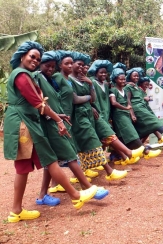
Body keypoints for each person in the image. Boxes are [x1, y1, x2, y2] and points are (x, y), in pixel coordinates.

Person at [4, 42, 98, 222]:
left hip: (24, 121)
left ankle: (16, 211)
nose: (35, 60)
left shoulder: (26, 75)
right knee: (49, 159)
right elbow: (38, 103)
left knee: (24, 168)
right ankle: (76, 196)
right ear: (23, 56)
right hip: (24, 124)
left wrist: (56, 115)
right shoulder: (22, 76)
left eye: (38, 58)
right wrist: (58, 119)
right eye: (32, 56)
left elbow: (38, 104)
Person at [34, 51, 109, 204]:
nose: (50, 68)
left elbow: (56, 99)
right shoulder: (41, 78)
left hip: (60, 119)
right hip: (52, 121)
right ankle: (87, 188)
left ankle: (42, 196)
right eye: (47, 65)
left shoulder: (50, 79)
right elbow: (41, 102)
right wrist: (56, 117)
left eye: (52, 66)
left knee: (52, 160)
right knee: (69, 155)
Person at [69, 52, 143, 174]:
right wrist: (89, 101)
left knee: (101, 137)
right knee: (90, 141)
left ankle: (123, 157)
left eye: (84, 65)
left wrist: (90, 86)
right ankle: (115, 163)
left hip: (94, 113)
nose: (82, 68)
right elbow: (77, 99)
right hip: (82, 115)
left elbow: (92, 97)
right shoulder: (68, 80)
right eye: (79, 64)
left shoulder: (86, 81)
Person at [109, 68, 161, 160]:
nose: (123, 81)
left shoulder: (124, 90)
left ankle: (121, 156)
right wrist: (126, 108)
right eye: (120, 79)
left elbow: (128, 100)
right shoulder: (113, 90)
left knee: (123, 137)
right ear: (115, 80)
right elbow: (113, 103)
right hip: (119, 116)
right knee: (131, 134)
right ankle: (145, 152)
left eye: (124, 79)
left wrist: (130, 112)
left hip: (126, 114)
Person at [124, 68, 163, 143]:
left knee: (149, 127)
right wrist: (132, 114)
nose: (136, 77)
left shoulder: (136, 86)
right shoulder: (128, 87)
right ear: (130, 77)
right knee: (154, 121)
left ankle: (155, 140)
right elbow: (128, 100)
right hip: (137, 109)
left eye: (137, 76)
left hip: (142, 107)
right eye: (134, 76)